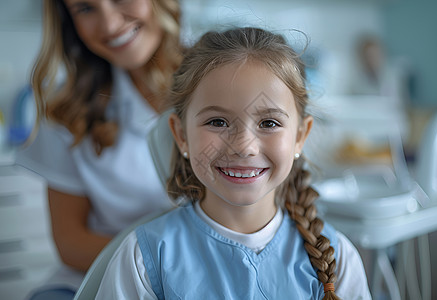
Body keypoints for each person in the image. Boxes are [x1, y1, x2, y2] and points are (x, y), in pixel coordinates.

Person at [96, 27, 372, 299]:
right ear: (181, 135)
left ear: (300, 136)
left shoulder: (338, 261)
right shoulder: (143, 259)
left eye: (269, 123)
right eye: (217, 122)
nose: (244, 146)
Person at [15, 0, 182, 298]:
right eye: (85, 8)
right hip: (95, 275)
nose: (109, 25)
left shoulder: (224, 79)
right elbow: (70, 242)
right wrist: (166, 269)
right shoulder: (66, 112)